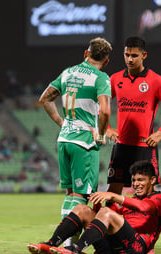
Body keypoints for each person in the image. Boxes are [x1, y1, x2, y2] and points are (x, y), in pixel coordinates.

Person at [38, 37, 112, 235]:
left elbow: (44, 99)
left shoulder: (67, 72)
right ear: (106, 62)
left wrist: (61, 121)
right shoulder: (101, 77)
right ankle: (69, 245)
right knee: (81, 195)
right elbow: (105, 111)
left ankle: (63, 241)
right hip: (84, 142)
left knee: (70, 193)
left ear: (85, 54)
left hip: (64, 139)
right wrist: (101, 135)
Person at [27, 160, 161, 254]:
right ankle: (50, 245)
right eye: (134, 180)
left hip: (135, 249)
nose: (136, 184)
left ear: (152, 180)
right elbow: (108, 219)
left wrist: (113, 196)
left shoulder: (160, 200)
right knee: (82, 209)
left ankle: (75, 249)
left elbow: (145, 207)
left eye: (141, 180)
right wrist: (96, 203)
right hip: (111, 250)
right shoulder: (131, 200)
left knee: (107, 212)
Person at [106, 36, 161, 195]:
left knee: (148, 192)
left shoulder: (156, 81)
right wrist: (107, 129)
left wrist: (160, 132)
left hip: (144, 147)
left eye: (134, 55)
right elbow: (100, 105)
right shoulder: (115, 79)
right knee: (113, 190)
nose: (130, 59)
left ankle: (143, 221)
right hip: (121, 145)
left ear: (144, 55)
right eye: (127, 55)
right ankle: (108, 220)